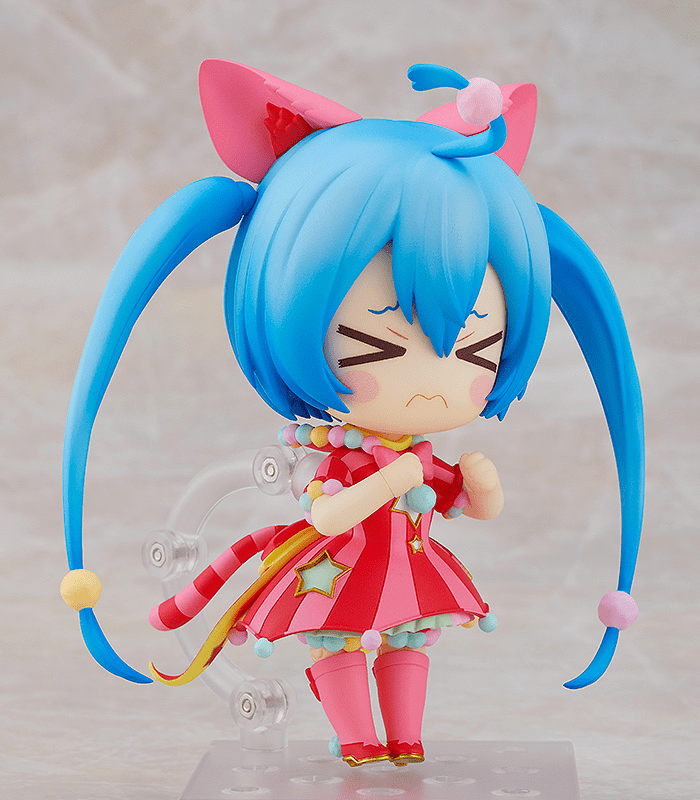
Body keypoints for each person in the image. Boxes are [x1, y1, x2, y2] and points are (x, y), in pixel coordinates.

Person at [61, 61, 644, 768]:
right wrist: (389, 482)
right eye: (377, 345)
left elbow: (469, 505)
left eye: (476, 350)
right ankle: (358, 740)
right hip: (335, 577)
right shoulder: (349, 456)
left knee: (406, 646)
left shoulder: (419, 458)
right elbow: (328, 514)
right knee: (337, 649)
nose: (431, 383)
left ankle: (405, 737)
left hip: (407, 575)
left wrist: (481, 485)